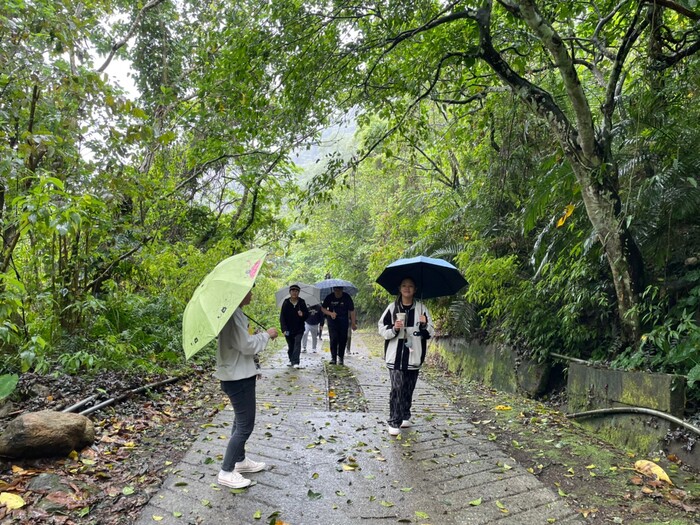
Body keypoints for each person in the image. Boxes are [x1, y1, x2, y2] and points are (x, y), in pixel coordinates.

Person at [215, 289, 279, 489]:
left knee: (239, 420)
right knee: (245, 425)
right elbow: (245, 345)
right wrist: (267, 336)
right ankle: (226, 471)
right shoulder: (233, 315)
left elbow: (241, 343)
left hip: (239, 373)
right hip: (237, 378)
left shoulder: (235, 313)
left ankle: (240, 460)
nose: (252, 293)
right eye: (249, 290)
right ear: (239, 293)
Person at [378, 277, 434, 436]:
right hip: (395, 355)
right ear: (399, 288)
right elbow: (382, 329)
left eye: (410, 286)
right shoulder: (392, 308)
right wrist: (394, 328)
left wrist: (424, 325)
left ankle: (405, 415)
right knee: (397, 388)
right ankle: (394, 421)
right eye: (404, 285)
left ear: (415, 289)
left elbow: (430, 332)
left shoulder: (422, 308)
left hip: (414, 356)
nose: (407, 288)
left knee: (408, 388)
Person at [321, 286, 356, 365]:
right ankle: (333, 357)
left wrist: (353, 323)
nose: (338, 292)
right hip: (332, 321)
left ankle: (341, 357)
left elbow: (352, 310)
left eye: (339, 290)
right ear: (333, 290)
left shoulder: (347, 297)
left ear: (342, 290)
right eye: (336, 290)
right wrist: (330, 313)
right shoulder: (329, 297)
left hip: (343, 320)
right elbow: (323, 309)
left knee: (343, 339)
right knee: (333, 338)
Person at [279, 284, 309, 368]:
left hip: (299, 328)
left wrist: (302, 314)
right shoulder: (286, 302)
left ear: (299, 292)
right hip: (288, 329)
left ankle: (296, 362)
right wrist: (284, 329)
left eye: (296, 291)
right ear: (290, 292)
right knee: (291, 345)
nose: (294, 293)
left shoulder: (301, 302)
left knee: (297, 343)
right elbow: (282, 317)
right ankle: (291, 359)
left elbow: (307, 315)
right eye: (292, 291)